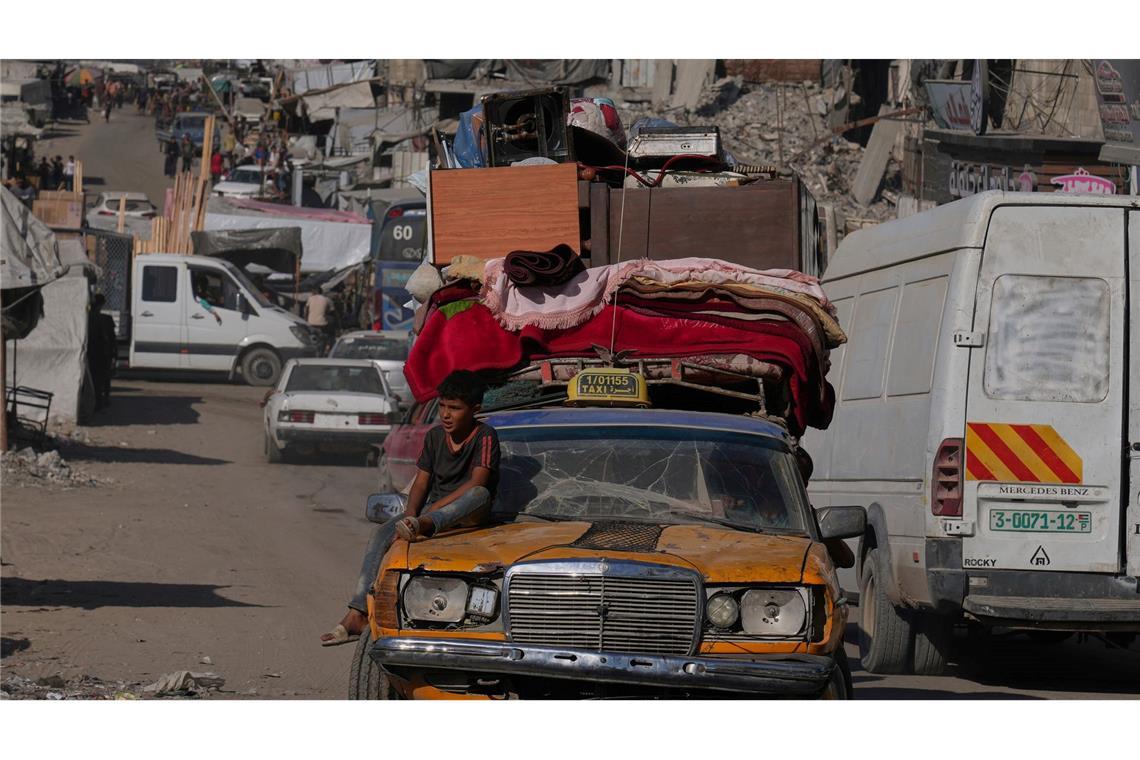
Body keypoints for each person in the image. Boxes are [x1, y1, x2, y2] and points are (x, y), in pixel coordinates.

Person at [320, 370, 499, 646]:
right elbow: (421, 482)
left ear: (475, 410)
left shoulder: (484, 435)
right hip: (426, 518)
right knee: (380, 534)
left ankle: (423, 525)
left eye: (455, 408)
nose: (446, 414)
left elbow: (478, 482)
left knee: (479, 493)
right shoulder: (435, 436)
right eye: (442, 406)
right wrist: (410, 515)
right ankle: (357, 613)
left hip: (468, 515)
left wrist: (429, 515)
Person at [87, 294, 117, 409]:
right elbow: (112, 339)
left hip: (90, 352)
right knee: (104, 378)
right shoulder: (106, 319)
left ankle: (95, 401)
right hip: (103, 353)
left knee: (93, 377)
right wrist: (114, 354)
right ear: (102, 304)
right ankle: (103, 400)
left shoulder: (86, 318)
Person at [304, 285, 334, 353]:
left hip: (311, 323)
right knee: (325, 337)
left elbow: (306, 310)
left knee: (312, 339)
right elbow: (332, 311)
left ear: (314, 292)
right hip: (322, 324)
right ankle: (326, 348)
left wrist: (306, 320)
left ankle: (313, 350)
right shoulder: (327, 299)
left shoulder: (310, 299)